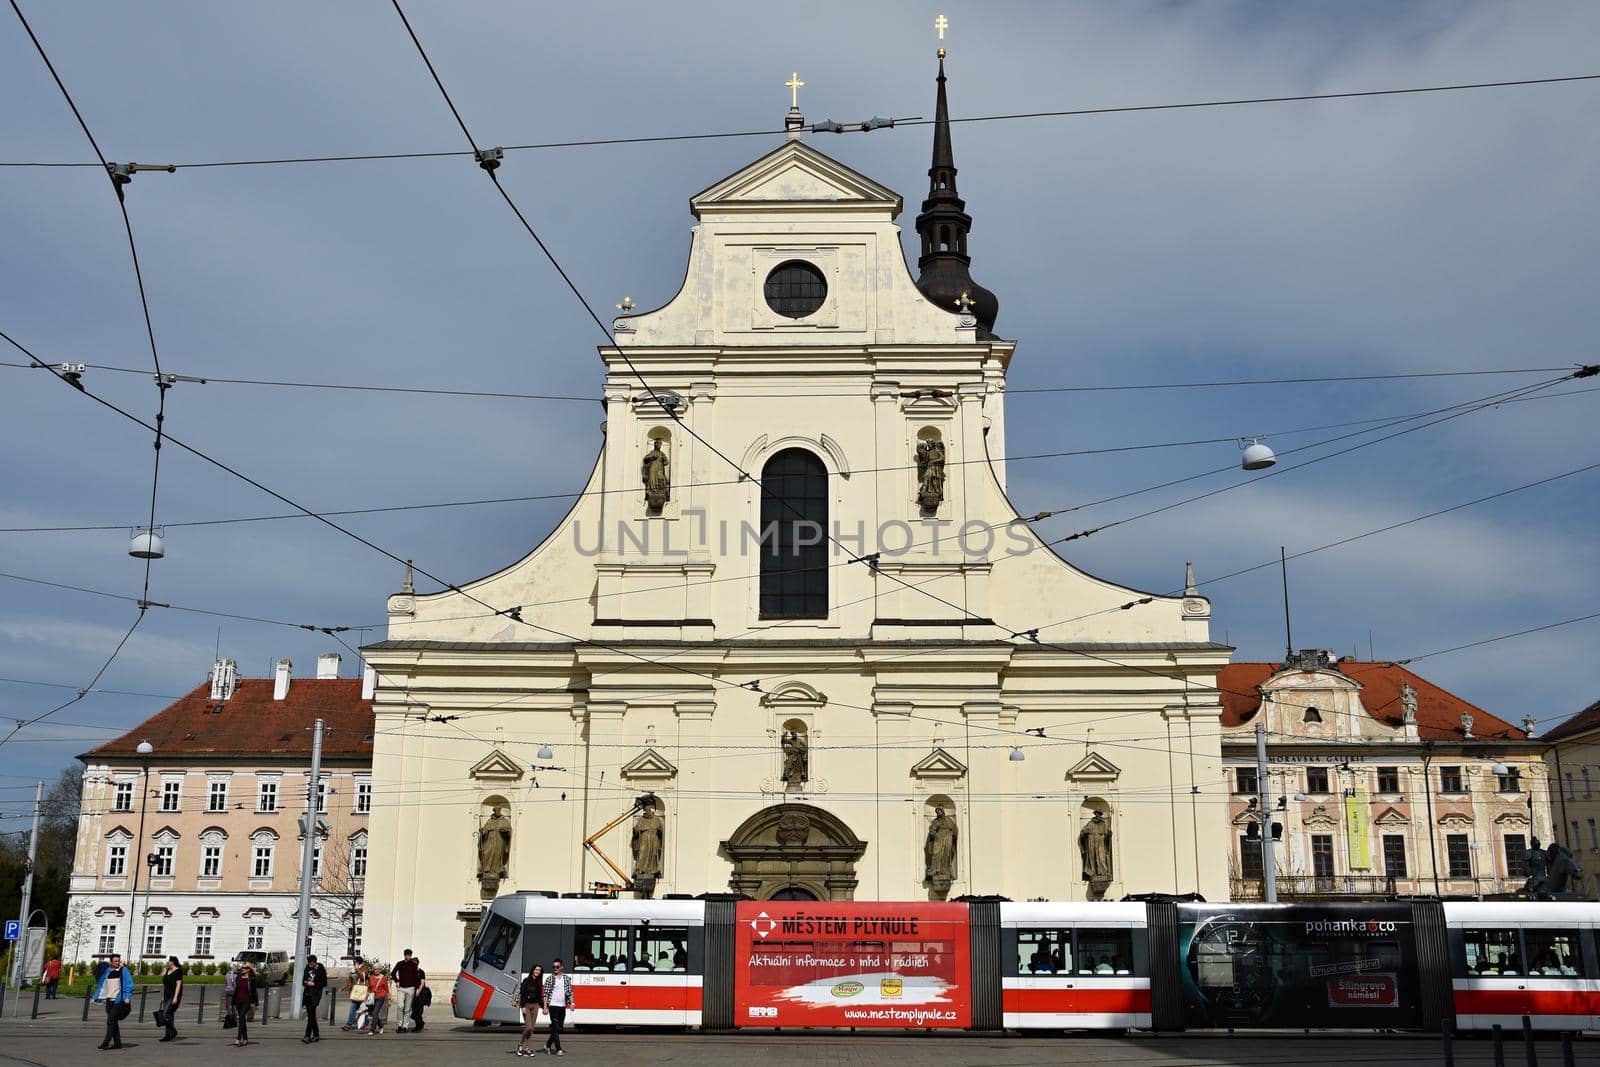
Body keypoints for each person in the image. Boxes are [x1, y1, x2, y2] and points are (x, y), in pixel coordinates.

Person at [92, 951, 133, 1050]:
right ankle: (117, 1043)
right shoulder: (108, 971)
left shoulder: (124, 971)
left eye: (118, 961)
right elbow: (101, 985)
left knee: (110, 1021)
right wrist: (94, 997)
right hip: (109, 1001)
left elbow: (129, 985)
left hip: (118, 1001)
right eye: (115, 961)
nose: (117, 963)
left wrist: (127, 997)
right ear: (111, 962)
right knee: (113, 1022)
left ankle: (106, 1043)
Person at [542, 958, 575, 1056]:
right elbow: (546, 994)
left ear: (561, 967)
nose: (555, 968)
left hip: (562, 1006)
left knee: (559, 1028)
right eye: (553, 967)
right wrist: (545, 1007)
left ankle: (548, 1044)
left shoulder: (566, 978)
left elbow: (570, 992)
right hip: (553, 1006)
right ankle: (559, 1049)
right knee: (555, 1027)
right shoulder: (550, 978)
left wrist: (572, 1003)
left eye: (557, 967)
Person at [515, 965, 544, 1057]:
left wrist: (543, 1007)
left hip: (535, 1005)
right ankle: (520, 1045)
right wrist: (522, 1006)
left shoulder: (539, 982)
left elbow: (539, 996)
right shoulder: (526, 980)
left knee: (532, 1029)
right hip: (526, 1005)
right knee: (528, 1027)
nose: (537, 971)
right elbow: (522, 993)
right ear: (532, 970)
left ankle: (527, 1048)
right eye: (536, 969)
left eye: (539, 970)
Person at [230, 962, 259, 1047]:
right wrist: (232, 1002)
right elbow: (236, 990)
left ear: (249, 969)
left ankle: (238, 1039)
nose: (243, 969)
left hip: (247, 1001)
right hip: (238, 1000)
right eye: (243, 967)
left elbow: (254, 992)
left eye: (245, 968)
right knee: (242, 1019)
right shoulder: (238, 977)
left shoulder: (252, 979)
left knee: (242, 1017)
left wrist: (256, 1003)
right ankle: (245, 1038)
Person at [392, 949, 421, 1032]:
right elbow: (393, 973)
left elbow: (416, 977)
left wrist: (417, 988)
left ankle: (405, 1026)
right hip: (401, 988)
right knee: (400, 1006)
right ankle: (399, 1025)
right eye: (407, 955)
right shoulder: (400, 963)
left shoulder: (413, 965)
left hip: (411, 988)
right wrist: (396, 981)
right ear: (404, 955)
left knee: (407, 1009)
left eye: (410, 955)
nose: (408, 957)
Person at [301, 954, 327, 1043]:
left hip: (315, 995)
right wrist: (306, 983)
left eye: (311, 964)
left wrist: (314, 984)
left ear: (315, 962)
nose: (310, 966)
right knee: (311, 1016)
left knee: (311, 1015)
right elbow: (304, 980)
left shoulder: (320, 969)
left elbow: (324, 982)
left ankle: (307, 1035)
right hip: (307, 994)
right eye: (309, 964)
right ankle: (316, 1034)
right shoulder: (307, 968)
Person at [340, 961, 370, 1031]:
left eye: (356, 963)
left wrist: (357, 969)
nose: (354, 964)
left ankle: (366, 1022)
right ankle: (349, 1024)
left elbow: (363, 977)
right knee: (353, 1009)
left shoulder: (364, 968)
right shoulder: (353, 970)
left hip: (362, 992)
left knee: (364, 1009)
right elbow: (349, 980)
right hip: (355, 993)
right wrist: (343, 987)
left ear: (360, 963)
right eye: (354, 963)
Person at [159, 956, 183, 1042]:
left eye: (169, 961)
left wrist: (176, 997)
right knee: (169, 1015)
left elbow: (178, 985)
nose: (167, 962)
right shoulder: (167, 971)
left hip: (173, 996)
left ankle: (173, 1030)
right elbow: (165, 986)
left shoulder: (178, 971)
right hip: (166, 996)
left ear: (172, 962)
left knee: (165, 1014)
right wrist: (162, 997)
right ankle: (167, 1035)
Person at [367, 965, 390, 1036]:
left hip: (380, 997)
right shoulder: (371, 978)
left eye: (377, 969)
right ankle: (381, 1025)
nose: (376, 970)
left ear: (380, 970)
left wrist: (389, 999)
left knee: (375, 1012)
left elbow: (386, 989)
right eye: (374, 969)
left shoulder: (384, 978)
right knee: (372, 1013)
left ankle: (372, 1030)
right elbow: (369, 988)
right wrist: (367, 995)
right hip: (372, 997)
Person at [408, 967, 429, 1032]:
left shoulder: (421, 972)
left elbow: (422, 983)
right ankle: (421, 1023)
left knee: (418, 1011)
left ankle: (418, 1026)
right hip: (413, 993)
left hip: (420, 994)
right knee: (414, 1012)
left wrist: (418, 991)